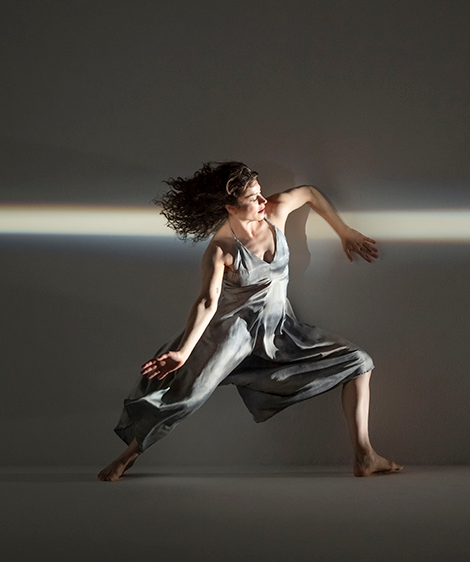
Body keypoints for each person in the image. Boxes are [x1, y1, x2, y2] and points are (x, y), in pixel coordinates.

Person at [99, 161, 402, 481]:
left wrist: (344, 231)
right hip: (232, 332)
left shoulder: (275, 212)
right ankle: (127, 456)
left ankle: (365, 455)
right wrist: (184, 353)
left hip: (279, 329)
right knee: (189, 395)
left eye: (260, 193)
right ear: (230, 207)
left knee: (359, 362)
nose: (263, 201)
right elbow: (207, 301)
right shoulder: (222, 248)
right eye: (253, 198)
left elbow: (310, 193)